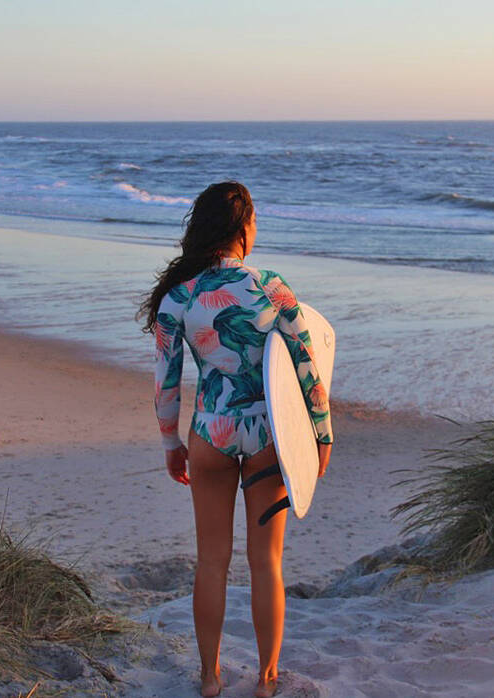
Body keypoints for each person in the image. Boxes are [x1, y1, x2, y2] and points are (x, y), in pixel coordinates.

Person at [140, 181, 333, 697]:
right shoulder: (272, 287)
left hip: (211, 434)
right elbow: (306, 367)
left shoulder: (179, 299)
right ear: (244, 228)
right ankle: (268, 680)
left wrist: (170, 444)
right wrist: (320, 435)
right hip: (269, 435)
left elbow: (165, 384)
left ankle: (209, 677)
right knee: (266, 560)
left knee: (211, 560)